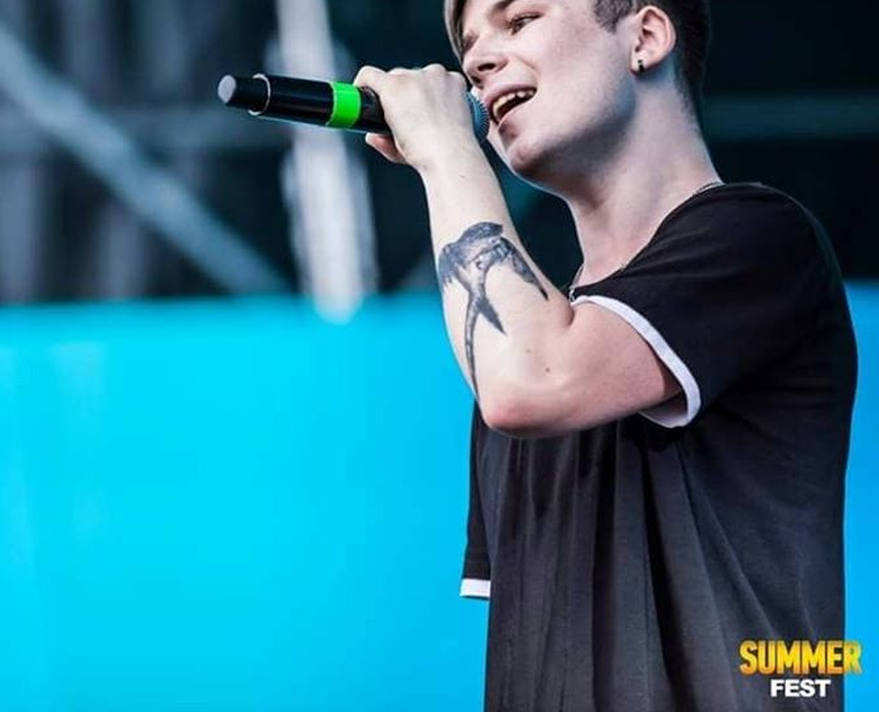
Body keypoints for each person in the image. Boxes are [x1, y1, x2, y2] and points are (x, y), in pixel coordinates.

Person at [353, 0, 858, 709]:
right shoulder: (524, 340)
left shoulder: (761, 238)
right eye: (469, 44)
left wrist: (445, 154)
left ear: (645, 36)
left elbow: (533, 381)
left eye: (519, 20)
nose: (478, 61)